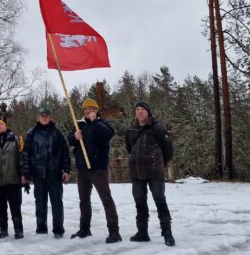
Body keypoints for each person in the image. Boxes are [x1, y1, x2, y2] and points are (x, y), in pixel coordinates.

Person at [67, 98, 121, 243]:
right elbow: (70, 140)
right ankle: (84, 229)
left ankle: (114, 231)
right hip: (82, 168)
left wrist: (95, 122)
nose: (89, 110)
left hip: (98, 168)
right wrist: (75, 137)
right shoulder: (78, 124)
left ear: (97, 111)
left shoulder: (103, 123)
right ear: (83, 111)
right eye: (86, 109)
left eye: (92, 108)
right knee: (84, 200)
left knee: (106, 199)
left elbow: (107, 135)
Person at [125, 101, 175, 246]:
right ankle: (142, 232)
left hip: (155, 173)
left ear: (148, 112)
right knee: (139, 202)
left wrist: (159, 162)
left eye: (142, 109)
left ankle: (167, 233)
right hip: (136, 173)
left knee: (160, 201)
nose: (140, 112)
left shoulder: (157, 128)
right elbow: (129, 148)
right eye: (137, 109)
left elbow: (168, 150)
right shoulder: (131, 130)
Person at [21, 107, 71, 238]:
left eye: (46, 115)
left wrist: (66, 170)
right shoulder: (32, 133)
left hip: (55, 173)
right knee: (40, 202)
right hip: (38, 174)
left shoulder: (57, 132)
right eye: (42, 115)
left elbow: (65, 153)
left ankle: (58, 230)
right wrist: (26, 172)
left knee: (57, 203)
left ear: (50, 117)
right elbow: (26, 153)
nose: (44, 117)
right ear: (38, 117)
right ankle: (41, 229)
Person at [0, 119, 24, 239]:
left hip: (14, 179)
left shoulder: (15, 139)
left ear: (6, 127)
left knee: (15, 206)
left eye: (1, 124)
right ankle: (3, 229)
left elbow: (21, 158)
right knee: (1, 207)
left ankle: (19, 230)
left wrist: (24, 174)